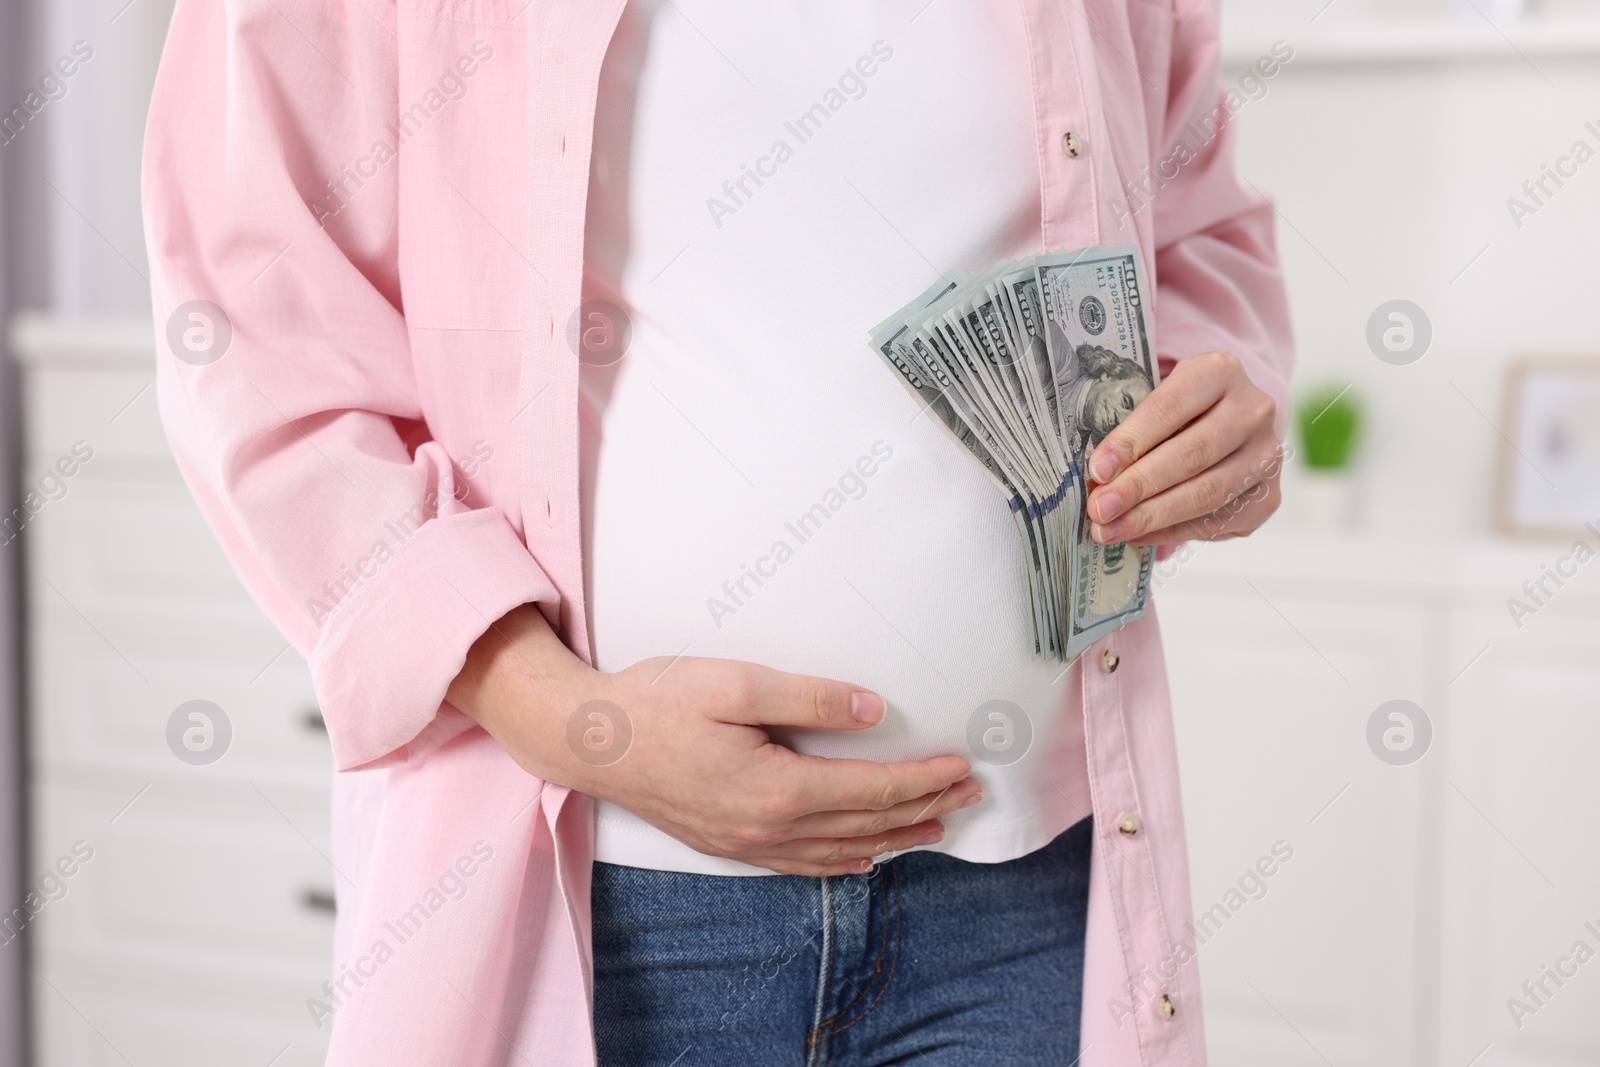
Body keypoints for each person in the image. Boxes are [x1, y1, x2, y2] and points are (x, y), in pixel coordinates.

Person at [143, 1, 1293, 1064]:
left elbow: (1196, 234)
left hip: (1027, 900)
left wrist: (1213, 425)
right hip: (622, 901)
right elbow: (249, 331)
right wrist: (565, 715)